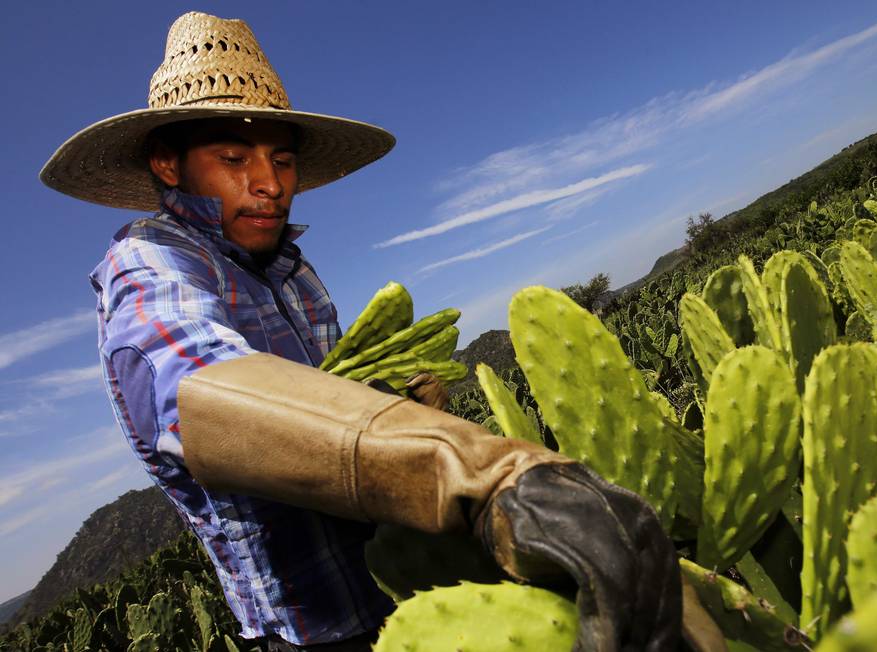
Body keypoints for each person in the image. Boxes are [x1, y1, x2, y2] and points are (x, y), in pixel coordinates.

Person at [41, 11, 685, 652]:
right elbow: (195, 393)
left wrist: (400, 406)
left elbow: (335, 404)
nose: (270, 184)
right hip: (315, 632)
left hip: (402, 590)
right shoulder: (150, 263)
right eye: (234, 157)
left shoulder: (293, 271)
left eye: (283, 160)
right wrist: (479, 475)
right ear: (168, 163)